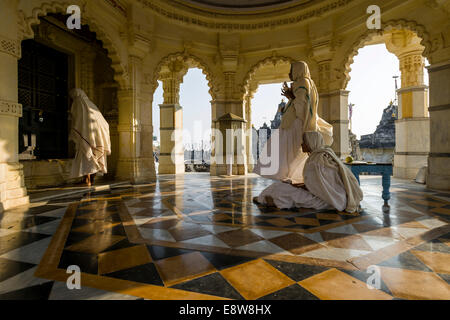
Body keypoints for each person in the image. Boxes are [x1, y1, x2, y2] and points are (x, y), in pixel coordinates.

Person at [253, 61, 333, 184]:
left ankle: (293, 178)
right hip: (293, 124)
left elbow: (301, 106)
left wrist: (290, 96)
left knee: (289, 154)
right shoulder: (305, 83)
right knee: (289, 154)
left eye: (292, 70)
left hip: (295, 125)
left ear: (298, 70)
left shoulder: (302, 82)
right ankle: (295, 178)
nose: (290, 73)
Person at [254, 131, 363, 213]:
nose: (302, 144)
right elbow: (318, 185)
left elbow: (314, 189)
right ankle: (267, 199)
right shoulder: (323, 155)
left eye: (304, 142)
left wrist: (297, 186)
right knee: (285, 184)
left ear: (311, 142)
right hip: (334, 197)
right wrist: (297, 185)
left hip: (324, 200)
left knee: (281, 187)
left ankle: (267, 199)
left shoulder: (316, 161)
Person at [69, 88, 111, 186]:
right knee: (94, 157)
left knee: (87, 155)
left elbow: (78, 121)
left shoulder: (78, 102)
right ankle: (91, 179)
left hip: (87, 134)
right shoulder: (90, 104)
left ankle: (87, 180)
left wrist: (75, 132)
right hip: (99, 134)